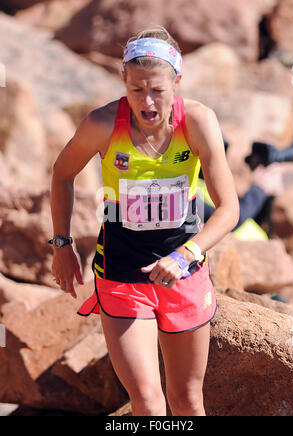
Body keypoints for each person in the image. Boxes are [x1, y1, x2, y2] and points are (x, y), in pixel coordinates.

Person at [49, 26, 239, 417]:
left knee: (187, 400)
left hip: (182, 273)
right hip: (122, 274)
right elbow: (61, 174)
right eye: (137, 89)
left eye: (157, 90)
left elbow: (229, 209)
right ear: (123, 80)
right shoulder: (103, 125)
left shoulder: (198, 122)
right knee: (148, 403)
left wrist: (186, 254)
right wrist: (62, 245)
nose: (147, 101)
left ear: (177, 83)